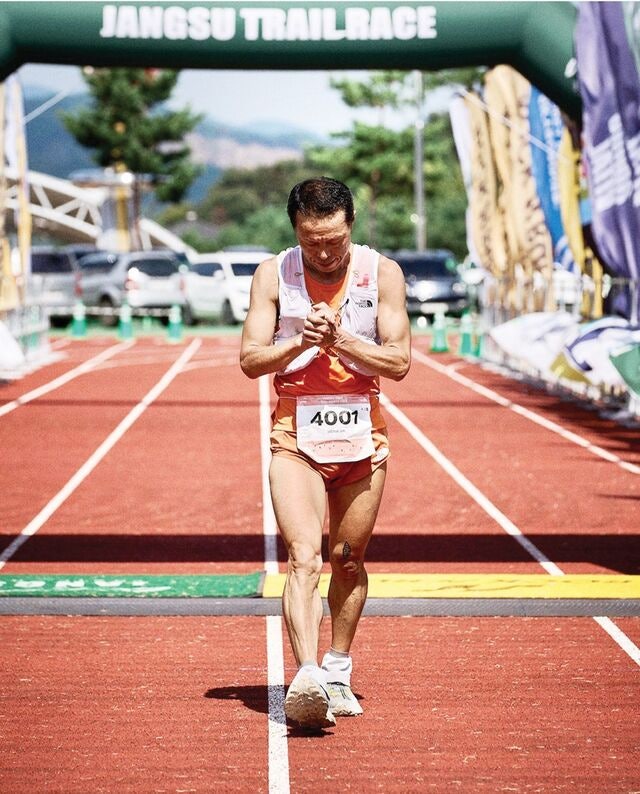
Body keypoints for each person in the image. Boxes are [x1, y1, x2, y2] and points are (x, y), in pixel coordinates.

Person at [240, 177, 411, 729]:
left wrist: (341, 340)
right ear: (296, 229)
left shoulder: (381, 274)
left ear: (351, 224)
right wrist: (302, 341)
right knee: (303, 557)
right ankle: (307, 677)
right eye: (312, 240)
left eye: (334, 239)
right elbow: (250, 359)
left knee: (348, 559)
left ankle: (338, 668)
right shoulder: (274, 274)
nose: (324, 251)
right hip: (296, 432)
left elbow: (400, 361)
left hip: (363, 432)